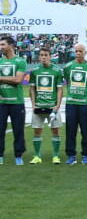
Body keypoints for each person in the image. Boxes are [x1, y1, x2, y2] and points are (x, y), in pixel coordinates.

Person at [28, 47, 64, 164]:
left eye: (46, 55)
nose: (43, 57)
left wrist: (57, 105)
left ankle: (55, 156)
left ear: (50, 56)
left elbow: (59, 89)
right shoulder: (34, 70)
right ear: (39, 57)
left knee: (55, 130)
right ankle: (37, 156)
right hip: (38, 106)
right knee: (37, 131)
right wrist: (33, 104)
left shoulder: (57, 70)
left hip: (52, 106)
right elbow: (32, 89)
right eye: (41, 55)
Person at [63, 43, 87, 165]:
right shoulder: (68, 66)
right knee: (70, 131)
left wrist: (86, 95)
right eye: (76, 51)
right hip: (71, 103)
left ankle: (85, 155)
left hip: (85, 104)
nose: (78, 53)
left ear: (85, 53)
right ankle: (71, 155)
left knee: (85, 131)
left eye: (80, 51)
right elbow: (68, 82)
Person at [0, 36, 28, 165]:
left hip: (17, 102)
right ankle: (0, 155)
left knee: (18, 130)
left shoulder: (20, 61)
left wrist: (0, 78)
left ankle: (18, 155)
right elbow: (13, 79)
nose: (1, 47)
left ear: (11, 45)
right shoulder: (0, 61)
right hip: (2, 102)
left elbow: (18, 80)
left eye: (3, 44)